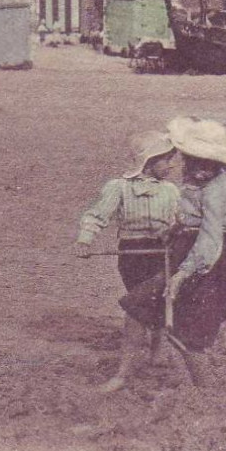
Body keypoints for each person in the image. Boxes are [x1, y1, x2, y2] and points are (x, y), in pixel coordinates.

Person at [119, 117, 226, 385]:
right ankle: (123, 376)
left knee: (186, 332)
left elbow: (210, 239)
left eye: (193, 160)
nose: (185, 166)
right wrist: (175, 230)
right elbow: (192, 220)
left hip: (207, 262)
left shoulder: (217, 189)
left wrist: (181, 275)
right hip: (189, 252)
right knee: (137, 305)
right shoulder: (204, 184)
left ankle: (205, 388)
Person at [73, 130, 183, 392]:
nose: (171, 166)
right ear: (148, 161)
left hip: (162, 253)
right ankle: (127, 367)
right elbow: (98, 214)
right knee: (139, 306)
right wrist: (85, 240)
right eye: (165, 160)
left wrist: (176, 234)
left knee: (159, 301)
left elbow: (181, 220)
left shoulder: (170, 191)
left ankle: (156, 352)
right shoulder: (119, 188)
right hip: (132, 254)